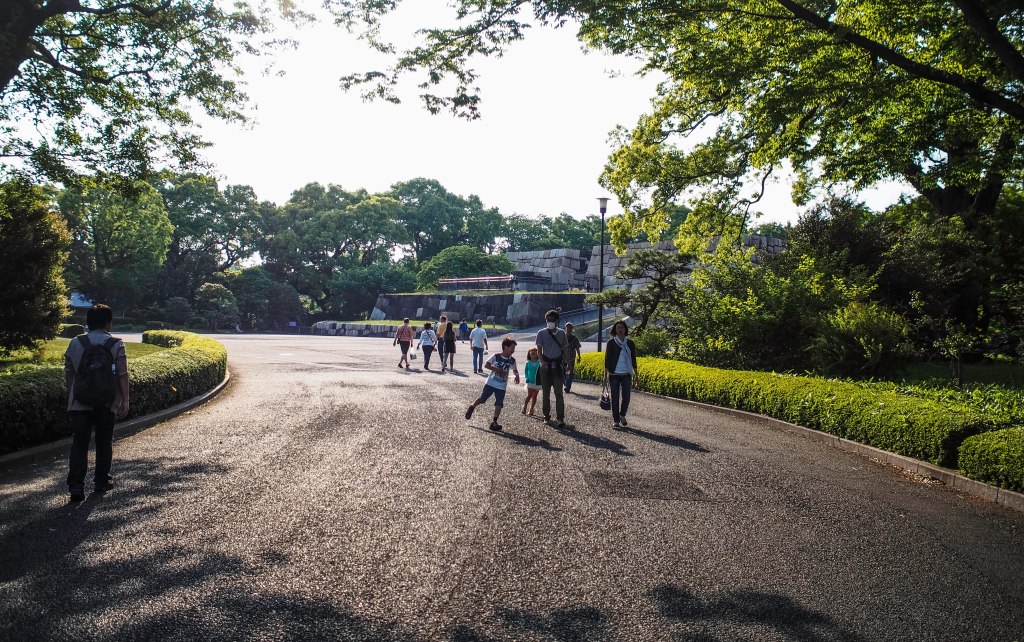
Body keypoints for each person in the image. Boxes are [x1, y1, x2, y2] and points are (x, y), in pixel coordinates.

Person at [64, 304, 129, 502]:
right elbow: (122, 374)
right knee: (103, 442)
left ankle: (76, 486)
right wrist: (125, 399)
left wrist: (72, 395)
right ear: (108, 323)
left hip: (80, 402)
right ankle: (101, 480)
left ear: (88, 322)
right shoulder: (116, 344)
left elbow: (69, 373)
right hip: (107, 402)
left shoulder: (76, 343)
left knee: (79, 443)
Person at [465, 338, 520, 432]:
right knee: (482, 399)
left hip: (502, 386)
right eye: (512, 347)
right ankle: (472, 407)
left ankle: (494, 422)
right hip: (490, 383)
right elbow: (486, 365)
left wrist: (517, 375)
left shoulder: (512, 360)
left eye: (514, 348)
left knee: (499, 403)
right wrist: (497, 370)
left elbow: (514, 370)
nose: (513, 350)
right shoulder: (496, 356)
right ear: (505, 347)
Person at [535, 309, 568, 428]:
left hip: (558, 365)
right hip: (545, 366)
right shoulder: (541, 333)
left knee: (559, 393)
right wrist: (542, 362)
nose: (549, 322)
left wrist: (567, 363)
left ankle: (560, 418)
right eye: (548, 320)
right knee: (546, 393)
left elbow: (565, 349)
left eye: (552, 320)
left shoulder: (562, 333)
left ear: (557, 321)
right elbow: (539, 349)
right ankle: (546, 416)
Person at [605, 320, 639, 429]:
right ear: (615, 330)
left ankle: (622, 415)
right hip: (614, 374)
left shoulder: (630, 343)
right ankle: (616, 420)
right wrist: (605, 376)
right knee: (615, 398)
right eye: (618, 327)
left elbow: (633, 359)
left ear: (625, 329)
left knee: (627, 397)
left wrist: (636, 375)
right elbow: (607, 360)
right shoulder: (611, 343)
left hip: (626, 374)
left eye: (622, 327)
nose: (620, 329)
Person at [563, 322, 583, 393]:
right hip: (562, 357)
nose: (569, 329)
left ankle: (567, 387)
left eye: (570, 327)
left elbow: (577, 348)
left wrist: (579, 357)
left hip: (571, 357)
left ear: (572, 329)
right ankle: (565, 384)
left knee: (570, 372)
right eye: (567, 327)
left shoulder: (574, 338)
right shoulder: (562, 337)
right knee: (563, 372)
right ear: (565, 328)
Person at [522, 348, 541, 415]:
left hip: (538, 382)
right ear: (529, 353)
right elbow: (526, 371)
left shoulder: (540, 362)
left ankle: (531, 409)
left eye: (535, 351)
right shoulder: (528, 363)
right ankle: (525, 406)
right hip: (530, 381)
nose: (533, 352)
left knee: (535, 396)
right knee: (529, 395)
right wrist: (526, 377)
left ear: (538, 353)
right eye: (531, 351)